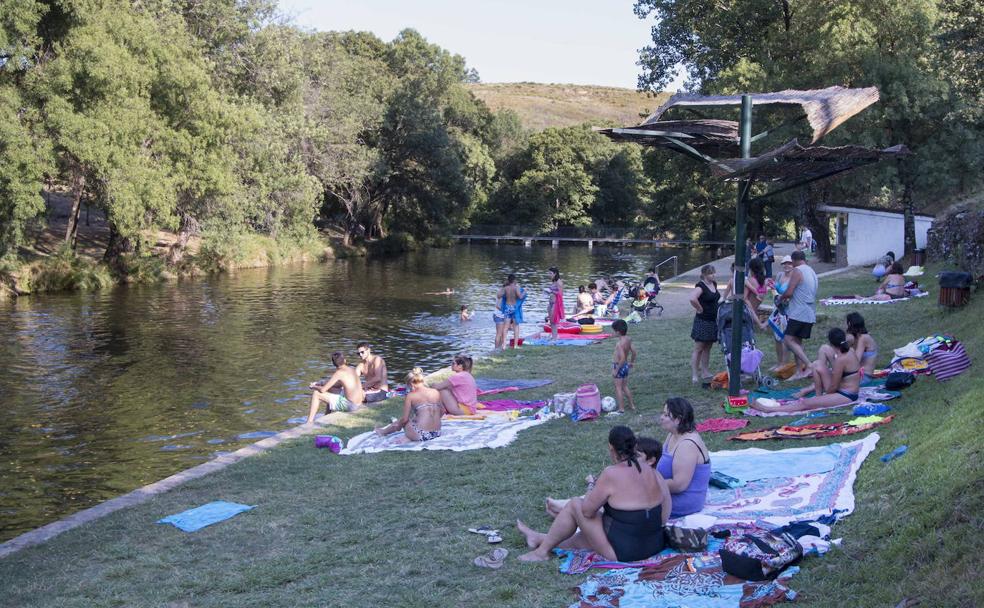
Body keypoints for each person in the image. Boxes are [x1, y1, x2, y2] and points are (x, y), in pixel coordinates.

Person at [517, 426, 670, 562]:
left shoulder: (611, 473)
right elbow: (663, 511)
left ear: (612, 448)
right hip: (654, 545)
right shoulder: (652, 471)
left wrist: (591, 486)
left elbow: (587, 511)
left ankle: (541, 552)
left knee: (575, 504)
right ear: (635, 446)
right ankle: (538, 538)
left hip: (626, 553)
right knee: (583, 539)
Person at [751, 328, 863, 414]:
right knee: (817, 364)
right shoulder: (850, 350)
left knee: (805, 403)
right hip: (841, 389)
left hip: (847, 394)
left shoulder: (841, 359)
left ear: (831, 344)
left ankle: (767, 409)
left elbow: (833, 387)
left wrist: (826, 395)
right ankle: (819, 397)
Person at [656, 397, 711, 518]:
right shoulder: (672, 435)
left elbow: (679, 485)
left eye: (666, 415)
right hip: (666, 493)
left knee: (630, 502)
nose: (661, 417)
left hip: (684, 501)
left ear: (678, 420)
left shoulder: (687, 444)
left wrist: (649, 485)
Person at [778, 250, 819, 379]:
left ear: (794, 261)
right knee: (797, 341)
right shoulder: (811, 271)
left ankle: (809, 365)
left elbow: (789, 292)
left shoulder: (797, 270)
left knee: (787, 339)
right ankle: (799, 372)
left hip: (799, 312)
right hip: (810, 311)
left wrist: (781, 298)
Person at [374, 368, 442, 442]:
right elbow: (442, 411)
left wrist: (398, 427)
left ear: (411, 384)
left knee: (402, 421)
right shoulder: (435, 392)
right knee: (413, 420)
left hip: (422, 435)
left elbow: (405, 419)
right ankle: (409, 436)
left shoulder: (411, 395)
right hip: (437, 433)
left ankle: (383, 432)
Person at [306, 352, 365, 423]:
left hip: (351, 406)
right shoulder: (352, 369)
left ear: (334, 364)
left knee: (316, 394)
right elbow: (337, 385)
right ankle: (326, 416)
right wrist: (320, 383)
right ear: (345, 361)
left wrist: (314, 386)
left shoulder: (339, 373)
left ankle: (309, 422)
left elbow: (322, 390)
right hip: (359, 403)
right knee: (330, 390)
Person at [688, 264, 720, 385]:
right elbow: (692, 298)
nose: (714, 275)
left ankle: (705, 371)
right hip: (703, 321)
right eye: (711, 273)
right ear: (705, 274)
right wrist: (700, 308)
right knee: (699, 348)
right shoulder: (700, 286)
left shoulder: (714, 284)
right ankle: (695, 374)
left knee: (708, 348)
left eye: (714, 272)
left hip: (713, 321)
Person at [767, 256, 795, 371]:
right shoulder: (779, 275)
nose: (786, 265)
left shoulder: (794, 277)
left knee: (784, 337)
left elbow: (793, 293)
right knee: (776, 337)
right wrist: (773, 290)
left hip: (788, 311)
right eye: (784, 263)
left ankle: (784, 363)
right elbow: (775, 289)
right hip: (777, 309)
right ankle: (778, 362)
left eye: (789, 263)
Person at [495, 274, 526, 350]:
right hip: (514, 308)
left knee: (505, 327)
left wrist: (503, 291)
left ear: (508, 280)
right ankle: (515, 345)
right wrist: (525, 291)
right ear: (514, 280)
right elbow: (520, 297)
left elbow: (498, 296)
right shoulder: (517, 288)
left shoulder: (506, 288)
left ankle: (504, 345)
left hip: (507, 308)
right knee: (516, 326)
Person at [611, 319, 636, 413]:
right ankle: (632, 405)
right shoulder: (628, 339)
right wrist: (632, 362)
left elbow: (621, 358)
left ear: (617, 332)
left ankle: (621, 408)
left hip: (619, 365)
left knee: (618, 387)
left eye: (614, 331)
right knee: (625, 386)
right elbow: (634, 352)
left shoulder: (619, 344)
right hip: (625, 366)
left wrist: (616, 370)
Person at [545, 266, 564, 340]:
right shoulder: (554, 282)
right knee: (551, 321)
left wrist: (551, 291)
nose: (549, 275)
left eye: (550, 273)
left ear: (555, 273)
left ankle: (555, 337)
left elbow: (561, 294)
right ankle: (553, 336)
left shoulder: (559, 282)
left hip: (556, 303)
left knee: (554, 322)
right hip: (550, 303)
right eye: (548, 273)